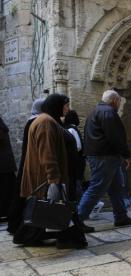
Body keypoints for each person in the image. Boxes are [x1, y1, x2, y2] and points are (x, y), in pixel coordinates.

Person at [15, 94, 87, 249]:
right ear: (56, 106)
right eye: (65, 105)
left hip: (47, 177)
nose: (68, 109)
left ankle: (30, 237)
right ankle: (67, 238)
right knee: (56, 207)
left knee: (47, 208)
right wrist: (54, 177)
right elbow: (47, 152)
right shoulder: (46, 122)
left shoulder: (47, 121)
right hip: (46, 178)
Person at [78, 90, 131, 227]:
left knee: (116, 187)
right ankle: (77, 220)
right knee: (96, 188)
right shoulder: (109, 112)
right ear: (115, 101)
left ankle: (121, 217)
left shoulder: (96, 111)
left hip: (103, 156)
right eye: (119, 102)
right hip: (105, 157)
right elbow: (115, 137)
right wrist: (126, 155)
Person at [7, 98, 45, 234]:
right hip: (30, 162)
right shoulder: (36, 122)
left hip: (27, 160)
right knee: (24, 195)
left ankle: (16, 225)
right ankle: (18, 225)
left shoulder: (32, 121)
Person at [63, 110, 86, 200]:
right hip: (77, 161)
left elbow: (77, 146)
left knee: (76, 183)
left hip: (75, 161)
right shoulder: (72, 129)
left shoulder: (70, 129)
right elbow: (78, 146)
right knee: (77, 182)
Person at [0, 116, 17, 221]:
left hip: (3, 166)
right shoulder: (2, 127)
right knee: (9, 191)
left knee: (5, 192)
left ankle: (5, 213)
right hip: (6, 166)